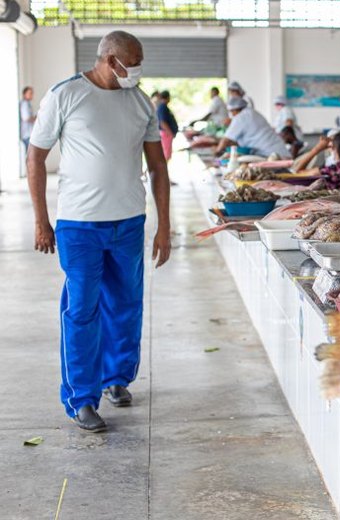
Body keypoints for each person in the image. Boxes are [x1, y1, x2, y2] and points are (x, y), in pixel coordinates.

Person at [26, 30, 171, 432]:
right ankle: (81, 399)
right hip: (79, 225)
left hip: (128, 222)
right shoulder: (65, 95)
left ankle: (116, 378)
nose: (137, 71)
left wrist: (165, 227)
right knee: (82, 310)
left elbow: (159, 167)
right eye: (133, 62)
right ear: (110, 60)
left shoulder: (140, 102)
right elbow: (36, 159)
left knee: (126, 305)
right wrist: (42, 220)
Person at [214, 97, 289, 159]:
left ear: (235, 109)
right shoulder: (252, 113)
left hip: (271, 154)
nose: (231, 115)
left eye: (231, 112)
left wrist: (216, 154)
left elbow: (226, 140)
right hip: (277, 151)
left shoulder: (241, 117)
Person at [156, 90, 178, 162]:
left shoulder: (163, 106)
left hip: (166, 133)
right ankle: (162, 172)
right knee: (166, 155)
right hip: (166, 133)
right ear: (168, 97)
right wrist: (170, 133)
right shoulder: (162, 107)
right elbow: (162, 122)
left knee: (166, 154)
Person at [20, 86, 36, 154]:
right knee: (30, 155)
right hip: (26, 134)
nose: (32, 95)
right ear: (24, 94)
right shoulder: (24, 104)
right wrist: (36, 118)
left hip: (28, 133)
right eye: (30, 93)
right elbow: (26, 118)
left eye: (32, 93)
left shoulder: (28, 104)